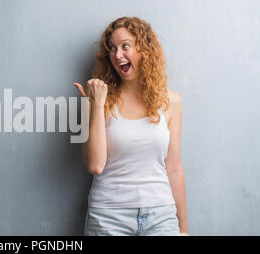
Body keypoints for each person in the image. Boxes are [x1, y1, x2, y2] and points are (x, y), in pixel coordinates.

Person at [73, 16, 188, 236]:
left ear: (144, 49)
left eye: (125, 46)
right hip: (108, 217)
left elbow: (173, 167)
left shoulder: (171, 102)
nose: (117, 55)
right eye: (112, 49)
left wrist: (183, 228)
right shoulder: (97, 100)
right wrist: (96, 104)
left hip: (161, 217)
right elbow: (95, 165)